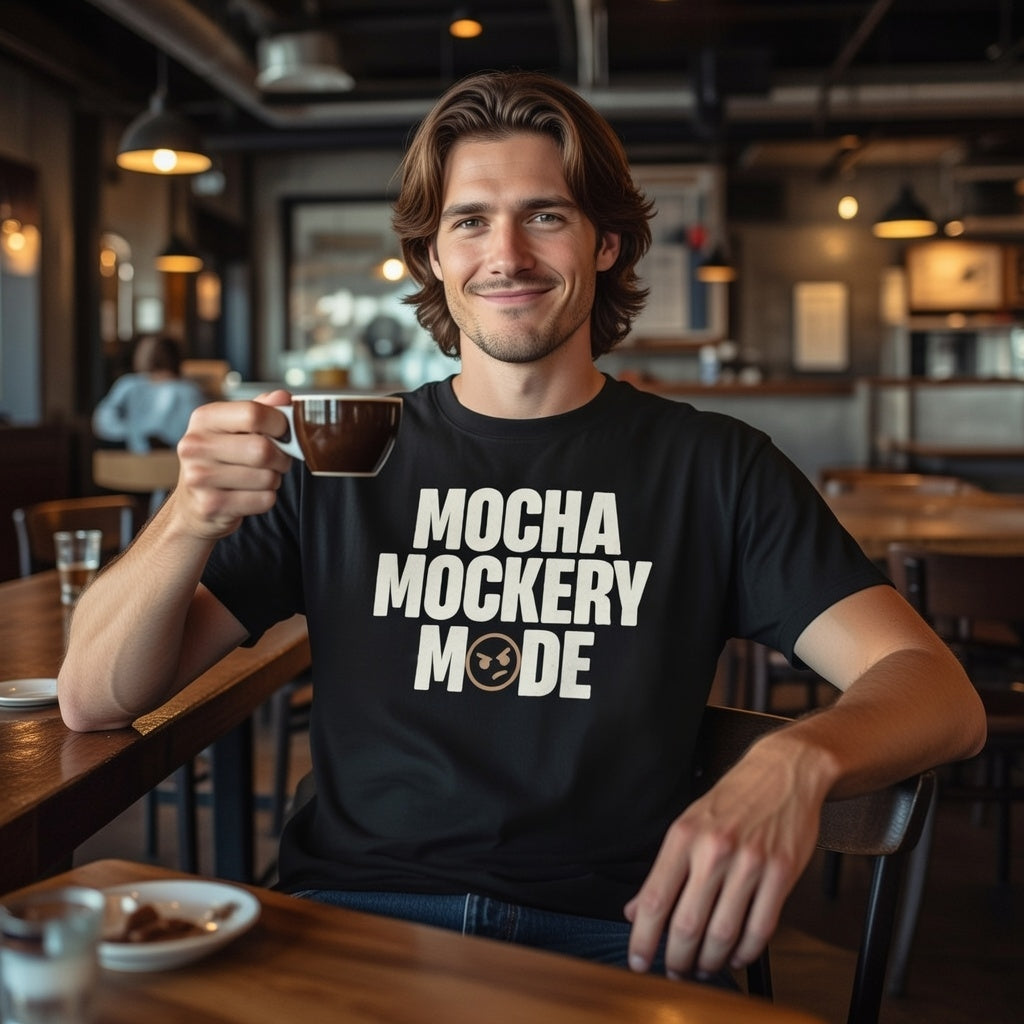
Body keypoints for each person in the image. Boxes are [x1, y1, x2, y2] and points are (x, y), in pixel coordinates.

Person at [59, 71, 985, 987]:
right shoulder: (346, 452)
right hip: (352, 920)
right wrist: (187, 516)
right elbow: (92, 700)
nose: (506, 254)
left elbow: (937, 691)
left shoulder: (715, 467)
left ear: (608, 243)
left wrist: (797, 756)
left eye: (545, 215)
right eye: (469, 221)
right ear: (431, 256)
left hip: (621, 939)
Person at [92, 334, 206, 452]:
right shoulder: (190, 390)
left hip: (139, 459)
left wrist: (132, 431)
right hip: (178, 458)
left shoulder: (129, 385)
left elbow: (103, 422)